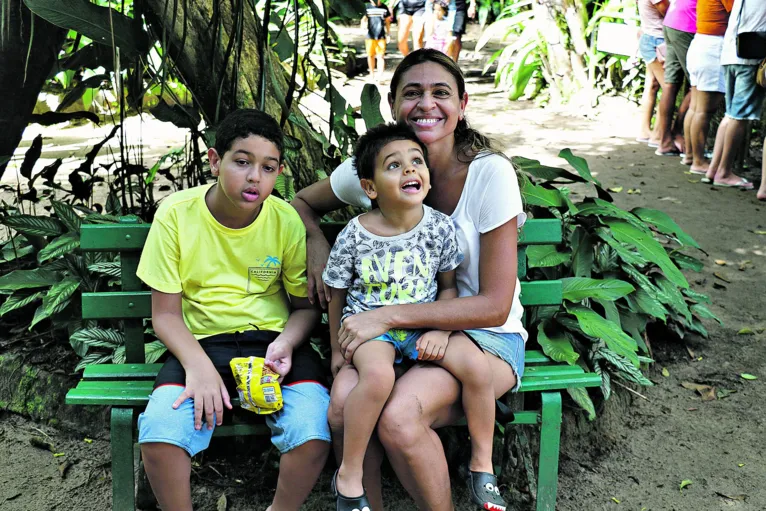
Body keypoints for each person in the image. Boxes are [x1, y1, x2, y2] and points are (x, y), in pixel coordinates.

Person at [292, 49, 527, 511]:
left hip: (482, 338)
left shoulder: (489, 174)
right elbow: (301, 201)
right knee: (342, 407)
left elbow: (495, 304)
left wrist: (386, 317)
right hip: (393, 336)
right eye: (412, 93)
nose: (427, 104)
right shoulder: (380, 164)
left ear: (462, 104)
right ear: (394, 104)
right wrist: (317, 241)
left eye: (441, 93)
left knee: (398, 416)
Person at [136, 109, 331, 511]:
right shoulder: (176, 215)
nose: (255, 177)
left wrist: (287, 344)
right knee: (159, 434)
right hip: (201, 345)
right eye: (242, 162)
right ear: (214, 161)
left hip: (272, 346)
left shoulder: (285, 221)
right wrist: (198, 367)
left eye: (268, 167)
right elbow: (166, 316)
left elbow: (303, 309)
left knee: (313, 431)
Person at [324, 122, 506, 511]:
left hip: (424, 326)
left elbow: (448, 287)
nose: (410, 170)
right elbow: (336, 295)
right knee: (377, 377)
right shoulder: (355, 235)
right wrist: (337, 351)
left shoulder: (440, 227)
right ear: (370, 188)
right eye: (394, 166)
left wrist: (442, 329)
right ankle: (349, 473)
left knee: (475, 365)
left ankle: (482, 465)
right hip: (371, 330)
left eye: (416, 161)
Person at [703, 0, 766, 188]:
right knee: (739, 117)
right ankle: (724, 172)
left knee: (731, 115)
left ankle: (713, 169)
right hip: (750, 56)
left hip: (731, 52)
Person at [685, 0, 732, 175]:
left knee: (696, 107)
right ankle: (698, 161)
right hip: (713, 47)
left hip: (700, 43)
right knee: (704, 111)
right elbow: (737, 12)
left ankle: (691, 155)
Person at [655, 0, 697, 157]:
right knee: (699, 86)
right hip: (688, 23)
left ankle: (665, 141)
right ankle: (677, 132)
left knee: (670, 84)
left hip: (672, 20)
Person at [636, 0, 670, 144]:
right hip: (657, 40)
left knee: (652, 85)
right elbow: (668, 12)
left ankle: (645, 130)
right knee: (668, 88)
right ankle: (658, 134)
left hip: (649, 36)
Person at [362, 0, 392, 84]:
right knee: (370, 55)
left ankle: (380, 76)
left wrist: (389, 34)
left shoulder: (384, 7)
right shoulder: (367, 7)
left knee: (380, 56)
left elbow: (387, 22)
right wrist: (364, 29)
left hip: (381, 35)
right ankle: (371, 75)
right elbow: (363, 19)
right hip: (370, 36)